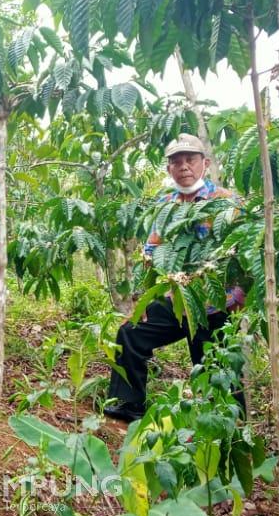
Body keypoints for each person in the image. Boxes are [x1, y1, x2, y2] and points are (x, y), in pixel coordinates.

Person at [104, 133, 244, 423]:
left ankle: (231, 427)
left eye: (190, 160)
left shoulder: (227, 202)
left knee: (216, 368)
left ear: (204, 163)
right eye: (176, 162)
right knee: (130, 332)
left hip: (215, 303)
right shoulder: (166, 203)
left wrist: (238, 296)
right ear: (168, 169)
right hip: (175, 298)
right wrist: (142, 300)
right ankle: (130, 405)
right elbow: (152, 252)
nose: (184, 167)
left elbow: (244, 253)